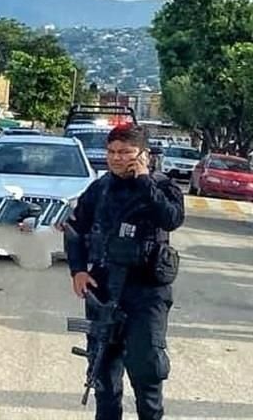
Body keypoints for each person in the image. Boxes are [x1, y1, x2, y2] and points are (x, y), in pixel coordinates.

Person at [64, 123, 184, 420]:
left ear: (143, 154)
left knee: (147, 371)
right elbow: (74, 228)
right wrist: (78, 270)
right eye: (112, 152)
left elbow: (171, 219)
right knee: (103, 373)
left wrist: (144, 181)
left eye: (125, 152)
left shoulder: (162, 185)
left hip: (146, 291)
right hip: (103, 289)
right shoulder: (100, 187)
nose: (117, 158)